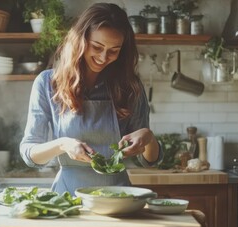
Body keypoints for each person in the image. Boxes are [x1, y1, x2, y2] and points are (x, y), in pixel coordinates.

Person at [20, 3, 162, 195]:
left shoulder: (129, 86)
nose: (104, 57)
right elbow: (30, 154)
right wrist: (63, 144)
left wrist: (148, 137)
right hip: (68, 198)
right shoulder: (47, 83)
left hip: (118, 197)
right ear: (80, 40)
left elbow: (149, 161)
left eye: (114, 50)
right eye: (97, 46)